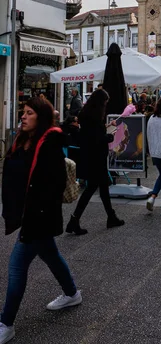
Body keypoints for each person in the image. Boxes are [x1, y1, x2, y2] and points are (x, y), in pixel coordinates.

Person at [0, 97, 81, 344]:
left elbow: (52, 187)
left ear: (41, 117)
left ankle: (6, 323)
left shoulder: (49, 145)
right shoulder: (23, 141)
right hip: (29, 214)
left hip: (39, 217)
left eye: (29, 113)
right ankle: (72, 294)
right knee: (51, 255)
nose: (23, 116)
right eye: (22, 112)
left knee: (16, 267)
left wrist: (35, 214)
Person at [66, 89, 124, 235]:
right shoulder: (94, 118)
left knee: (102, 187)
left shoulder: (86, 115)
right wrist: (110, 137)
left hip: (90, 156)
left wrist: (106, 127)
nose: (106, 105)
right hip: (96, 157)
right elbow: (97, 138)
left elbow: (91, 135)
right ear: (100, 103)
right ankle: (74, 219)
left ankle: (111, 216)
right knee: (92, 188)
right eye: (105, 103)